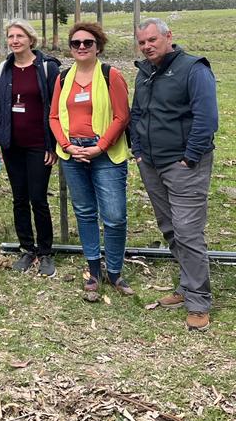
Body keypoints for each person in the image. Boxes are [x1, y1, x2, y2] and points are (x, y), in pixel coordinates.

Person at [131, 18, 219, 332]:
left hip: (184, 166)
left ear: (169, 37)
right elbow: (137, 113)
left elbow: (207, 117)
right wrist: (138, 150)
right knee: (169, 227)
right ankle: (186, 285)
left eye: (152, 40)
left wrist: (190, 157)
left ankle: (198, 302)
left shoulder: (194, 69)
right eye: (142, 42)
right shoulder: (144, 73)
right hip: (151, 163)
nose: (147, 46)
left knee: (188, 231)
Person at [49, 21, 131, 302]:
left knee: (114, 216)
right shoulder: (62, 78)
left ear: (98, 46)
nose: (82, 47)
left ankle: (116, 271)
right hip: (72, 155)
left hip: (105, 154)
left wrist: (100, 146)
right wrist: (67, 146)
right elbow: (54, 117)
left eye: (88, 43)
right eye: (76, 43)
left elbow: (122, 117)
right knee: (84, 212)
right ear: (70, 48)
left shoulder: (112, 75)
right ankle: (94, 269)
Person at [0, 20, 59, 276]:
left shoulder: (47, 68)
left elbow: (55, 107)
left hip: (39, 145)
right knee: (19, 198)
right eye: (10, 36)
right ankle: (27, 248)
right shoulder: (3, 69)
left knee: (38, 198)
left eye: (20, 36)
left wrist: (53, 144)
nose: (15, 40)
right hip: (12, 145)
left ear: (31, 39)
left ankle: (46, 252)